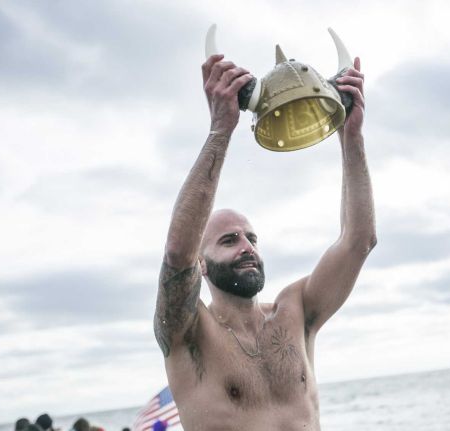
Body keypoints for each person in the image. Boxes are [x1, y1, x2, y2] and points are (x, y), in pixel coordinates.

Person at [152, 49, 375, 430]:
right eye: (229, 240)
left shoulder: (297, 310)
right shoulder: (188, 330)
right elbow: (177, 252)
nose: (247, 247)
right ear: (201, 263)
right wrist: (221, 130)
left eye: (251, 237)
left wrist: (350, 137)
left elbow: (358, 241)